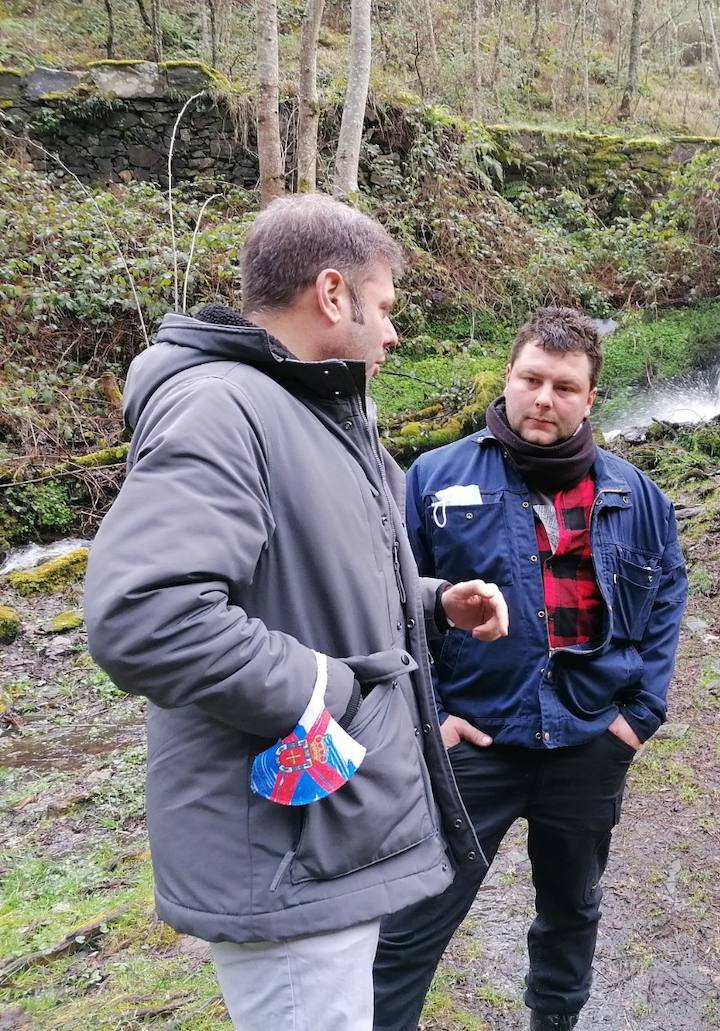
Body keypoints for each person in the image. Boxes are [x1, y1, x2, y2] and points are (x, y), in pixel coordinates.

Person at [85, 193, 508, 1031]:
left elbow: (311, 585)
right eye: (383, 307)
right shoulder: (222, 407)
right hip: (285, 850)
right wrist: (331, 689)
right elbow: (146, 614)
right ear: (331, 293)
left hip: (329, 827)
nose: (392, 333)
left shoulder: (324, 417)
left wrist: (431, 603)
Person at [372, 307, 688, 1031]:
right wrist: (430, 716)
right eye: (532, 379)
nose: (545, 398)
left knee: (571, 909)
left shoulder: (636, 495)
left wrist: (638, 716)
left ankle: (555, 1020)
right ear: (508, 378)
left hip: (587, 743)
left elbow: (667, 589)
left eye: (565, 386)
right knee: (413, 921)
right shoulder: (434, 477)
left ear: (589, 398)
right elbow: (388, 599)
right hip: (473, 740)